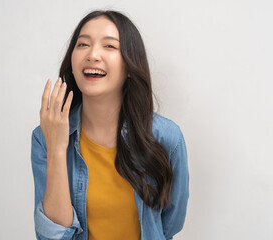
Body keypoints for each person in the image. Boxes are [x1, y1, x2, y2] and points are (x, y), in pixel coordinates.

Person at [31, 10, 189, 240]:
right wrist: (56, 148)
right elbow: (52, 237)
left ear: (130, 67)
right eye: (83, 44)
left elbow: (170, 224)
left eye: (110, 46)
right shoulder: (44, 138)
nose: (93, 54)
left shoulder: (167, 137)